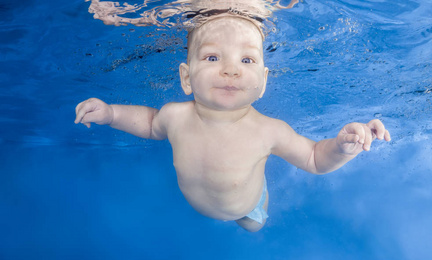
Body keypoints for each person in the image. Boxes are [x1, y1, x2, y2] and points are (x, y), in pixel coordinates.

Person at [75, 15, 391, 232]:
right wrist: (111, 114)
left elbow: (313, 159)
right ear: (186, 77)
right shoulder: (174, 115)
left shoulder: (268, 130)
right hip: (200, 202)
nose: (231, 70)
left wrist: (341, 148)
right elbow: (149, 123)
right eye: (213, 58)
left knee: (254, 226)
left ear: (263, 82)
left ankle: (260, 195)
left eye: (247, 59)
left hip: (246, 207)